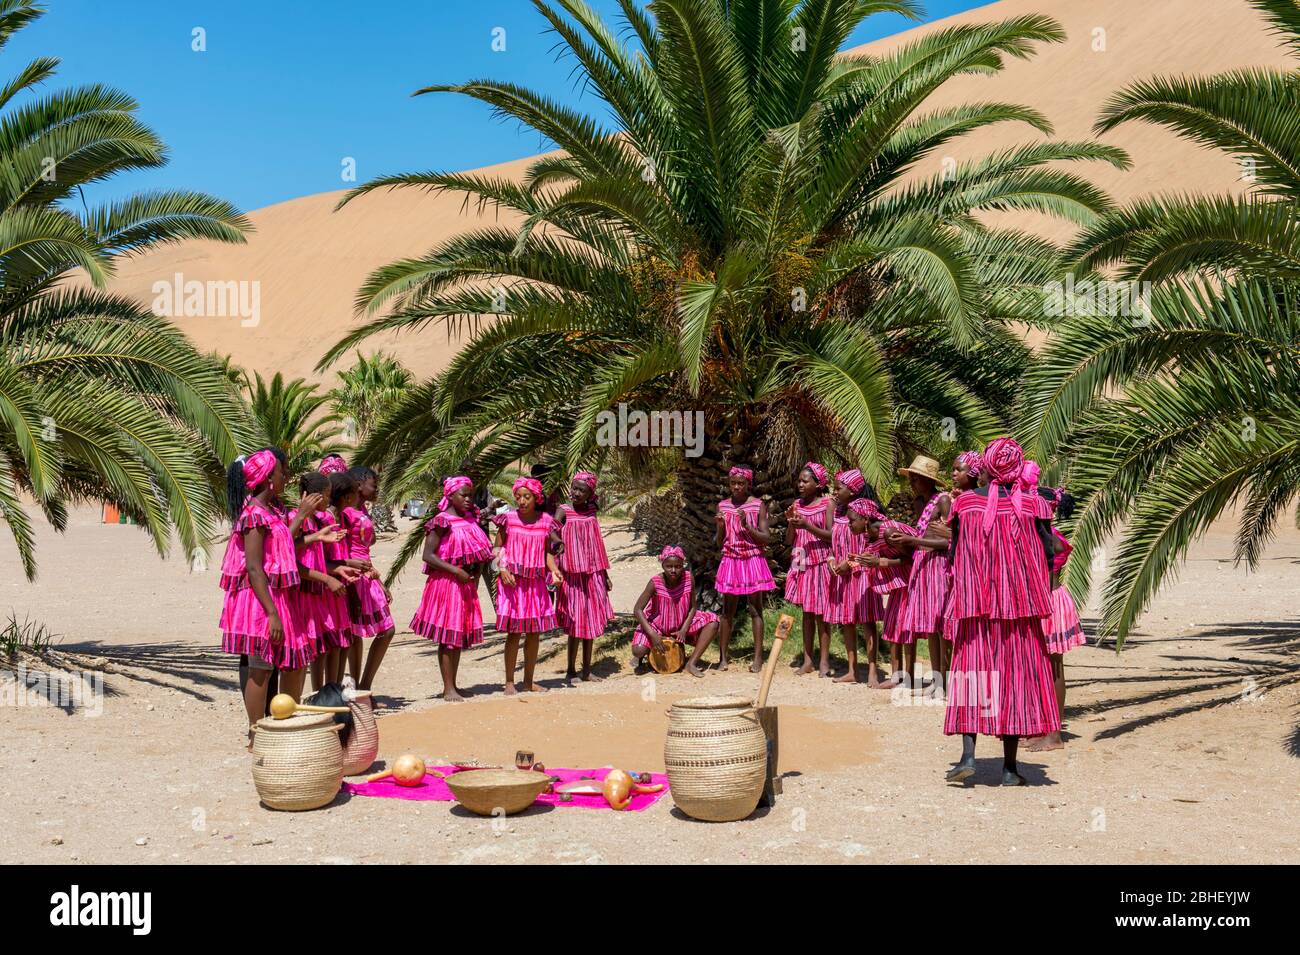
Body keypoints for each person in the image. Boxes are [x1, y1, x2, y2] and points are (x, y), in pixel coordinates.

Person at [943, 437, 1059, 786]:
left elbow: (954, 554)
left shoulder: (964, 504)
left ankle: (967, 756)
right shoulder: (1034, 506)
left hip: (975, 605)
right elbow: (1049, 552)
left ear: (988, 468)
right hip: (1019, 611)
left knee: (972, 674)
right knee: (1015, 680)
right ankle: (1009, 770)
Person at [218, 449, 316, 747]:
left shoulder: (273, 511)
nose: (285, 476)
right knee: (261, 666)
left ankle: (285, 722)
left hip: (281, 597)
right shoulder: (254, 516)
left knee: (295, 660)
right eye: (280, 472)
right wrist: (272, 612)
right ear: (267, 478)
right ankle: (256, 730)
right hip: (262, 601)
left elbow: (284, 542)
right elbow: (253, 566)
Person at [410, 476, 493, 702]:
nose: (468, 499)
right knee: (448, 634)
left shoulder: (469, 519)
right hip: (446, 584)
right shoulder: (441, 521)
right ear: (450, 495)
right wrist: (456, 571)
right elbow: (428, 555)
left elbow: (475, 550)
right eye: (463, 495)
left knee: (458, 635)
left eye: (470, 495)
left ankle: (454, 684)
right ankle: (448, 688)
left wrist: (474, 569)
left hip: (464, 583)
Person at [888, 456, 953, 697]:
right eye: (911, 479)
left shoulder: (943, 500)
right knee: (932, 627)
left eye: (916, 479)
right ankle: (937, 680)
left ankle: (946, 681)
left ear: (928, 480)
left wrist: (913, 540)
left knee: (940, 626)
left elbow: (949, 540)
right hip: (923, 566)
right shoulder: (922, 503)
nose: (912, 483)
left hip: (937, 565)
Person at [1026, 485, 1083, 752]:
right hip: (1049, 600)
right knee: (1045, 667)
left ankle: (1055, 734)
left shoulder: (1047, 536)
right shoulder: (1045, 533)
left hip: (1050, 602)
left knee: (1054, 667)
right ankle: (1046, 727)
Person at [493, 476, 560, 694]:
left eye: (527, 497)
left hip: (535, 585)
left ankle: (529, 681)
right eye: (518, 497)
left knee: (533, 633)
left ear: (536, 498)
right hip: (513, 583)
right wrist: (502, 569)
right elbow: (496, 550)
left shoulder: (546, 522)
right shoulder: (508, 520)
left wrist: (554, 570)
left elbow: (548, 553)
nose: (521, 501)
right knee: (513, 632)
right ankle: (510, 682)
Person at [290, 472, 352, 692]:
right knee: (308, 649)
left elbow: (317, 561)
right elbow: (290, 555)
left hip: (318, 591)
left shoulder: (317, 521)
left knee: (325, 646)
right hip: (302, 593)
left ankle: (326, 692)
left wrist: (339, 568)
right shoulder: (297, 520)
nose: (328, 500)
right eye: (325, 495)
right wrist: (326, 577)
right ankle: (315, 694)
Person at [553, 471, 615, 682]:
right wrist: (557, 542)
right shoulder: (563, 510)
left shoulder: (591, 512)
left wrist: (604, 574)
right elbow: (551, 530)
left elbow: (597, 543)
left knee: (590, 621)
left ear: (590, 494)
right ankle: (571, 671)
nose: (576, 493)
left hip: (592, 572)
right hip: (571, 575)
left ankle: (587, 670)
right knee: (575, 623)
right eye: (574, 488)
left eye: (582, 490)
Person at [714, 466, 775, 672]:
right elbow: (718, 542)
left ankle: (758, 658)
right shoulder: (722, 506)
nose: (737, 487)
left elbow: (766, 538)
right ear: (728, 484)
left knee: (755, 608)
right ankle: (723, 657)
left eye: (741, 483)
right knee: (727, 611)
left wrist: (747, 525)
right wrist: (721, 527)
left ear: (748, 484)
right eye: (733, 483)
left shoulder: (758, 505)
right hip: (731, 559)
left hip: (752, 559)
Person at [340, 466, 395, 691]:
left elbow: (364, 547)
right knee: (354, 634)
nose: (377, 489)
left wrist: (380, 582)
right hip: (353, 576)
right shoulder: (345, 513)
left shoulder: (361, 510)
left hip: (367, 575)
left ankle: (364, 685)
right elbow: (342, 548)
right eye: (374, 484)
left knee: (386, 630)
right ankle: (357, 689)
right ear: (359, 485)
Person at [632, 547, 720, 678]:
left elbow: (693, 608)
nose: (673, 570)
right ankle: (642, 656)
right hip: (657, 626)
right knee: (638, 650)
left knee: (713, 622)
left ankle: (691, 663)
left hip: (681, 623)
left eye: (677, 566)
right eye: (669, 566)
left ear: (682, 565)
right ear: (662, 565)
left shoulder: (688, 578)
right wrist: (652, 634)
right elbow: (637, 609)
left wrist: (684, 629)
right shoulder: (655, 582)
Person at [828, 486, 885, 684]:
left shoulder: (866, 520)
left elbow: (871, 552)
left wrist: (850, 563)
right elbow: (832, 546)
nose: (835, 491)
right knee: (847, 622)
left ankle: (871, 670)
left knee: (868, 622)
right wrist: (832, 562)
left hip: (863, 577)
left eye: (839, 487)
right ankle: (852, 670)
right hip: (843, 577)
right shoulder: (839, 514)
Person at [785, 462, 834, 676]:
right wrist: (791, 523)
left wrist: (808, 526)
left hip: (820, 562)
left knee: (822, 614)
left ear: (818, 484)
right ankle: (807, 660)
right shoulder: (796, 504)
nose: (800, 485)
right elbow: (789, 540)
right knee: (806, 613)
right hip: (802, 563)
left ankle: (824, 660)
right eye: (799, 481)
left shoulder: (827, 504)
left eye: (806, 481)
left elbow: (833, 535)